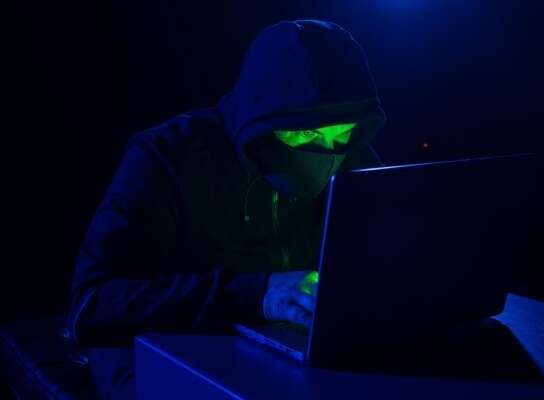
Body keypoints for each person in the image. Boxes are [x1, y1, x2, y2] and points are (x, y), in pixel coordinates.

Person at [65, 19, 386, 398]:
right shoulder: (167, 156)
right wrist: (257, 294)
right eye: (305, 133)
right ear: (262, 122)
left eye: (342, 131)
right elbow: (92, 305)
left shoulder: (351, 155)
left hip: (276, 347)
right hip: (161, 347)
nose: (329, 153)